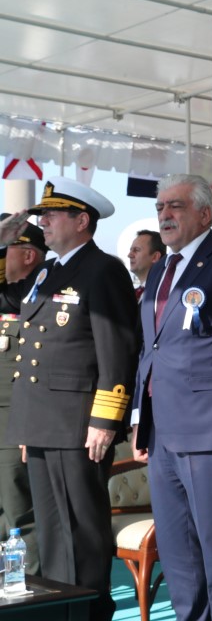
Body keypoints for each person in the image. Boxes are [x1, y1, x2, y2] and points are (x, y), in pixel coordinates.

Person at [0, 178, 139, 621]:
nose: (43, 222)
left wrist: (105, 421)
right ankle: (62, 613)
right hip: (42, 421)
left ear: (82, 221)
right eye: (41, 215)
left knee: (80, 530)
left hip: (78, 423)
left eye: (52, 214)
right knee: (52, 530)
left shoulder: (103, 269)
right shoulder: (47, 272)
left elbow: (117, 350)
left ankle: (88, 613)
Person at [130, 174, 212, 621]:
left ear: (205, 214)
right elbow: (150, 347)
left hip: (208, 430)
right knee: (177, 550)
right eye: (160, 207)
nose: (164, 215)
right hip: (161, 429)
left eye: (176, 206)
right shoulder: (161, 268)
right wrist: (140, 416)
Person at [0, 220, 46, 575]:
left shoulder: (40, 294)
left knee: (19, 513)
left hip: (17, 421)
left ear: (28, 255)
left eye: (7, 251)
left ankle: (30, 591)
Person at [128, 229, 165, 300]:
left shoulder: (164, 292)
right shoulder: (132, 293)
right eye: (131, 250)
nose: (129, 255)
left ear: (155, 257)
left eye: (137, 250)